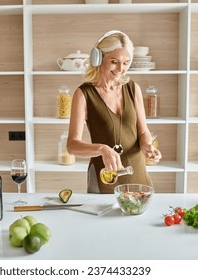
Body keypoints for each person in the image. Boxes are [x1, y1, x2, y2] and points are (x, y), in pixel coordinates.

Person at [66, 30, 161, 194]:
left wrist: (148, 146)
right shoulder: (83, 94)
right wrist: (102, 149)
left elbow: (143, 131)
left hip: (137, 175)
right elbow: (72, 145)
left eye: (125, 63)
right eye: (114, 62)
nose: (120, 69)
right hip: (105, 177)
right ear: (98, 59)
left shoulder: (133, 88)